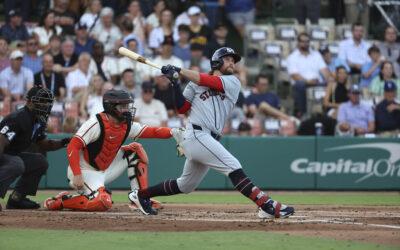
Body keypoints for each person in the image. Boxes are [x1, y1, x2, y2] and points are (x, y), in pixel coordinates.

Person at [128, 47, 295, 219]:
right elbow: (182, 108)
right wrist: (175, 83)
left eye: (233, 60)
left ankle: (141, 195)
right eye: (228, 59)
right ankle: (266, 205)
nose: (232, 63)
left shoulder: (233, 82)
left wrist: (179, 70)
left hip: (209, 138)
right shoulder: (194, 83)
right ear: (217, 61)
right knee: (233, 165)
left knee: (186, 185)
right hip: (196, 135)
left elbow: (209, 81)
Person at [44, 89, 183, 212]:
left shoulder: (126, 125)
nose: (127, 110)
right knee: (102, 202)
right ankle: (62, 201)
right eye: (122, 106)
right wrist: (77, 174)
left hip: (106, 168)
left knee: (136, 150)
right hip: (84, 170)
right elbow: (73, 146)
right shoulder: (95, 123)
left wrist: (173, 132)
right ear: (111, 107)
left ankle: (141, 198)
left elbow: (152, 131)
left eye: (127, 106)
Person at [0, 86, 70, 209]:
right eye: (42, 101)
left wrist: (65, 142)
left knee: (39, 162)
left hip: (12, 155)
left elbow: (43, 144)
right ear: (30, 102)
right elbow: (1, 140)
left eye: (47, 102)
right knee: (16, 164)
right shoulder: (19, 117)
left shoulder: (38, 120)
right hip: (4, 154)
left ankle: (17, 198)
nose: (45, 105)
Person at [287, 32, 331, 117]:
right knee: (300, 85)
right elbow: (295, 75)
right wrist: (308, 81)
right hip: (302, 83)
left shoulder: (316, 55)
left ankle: (329, 111)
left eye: (307, 41)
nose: (305, 44)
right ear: (298, 43)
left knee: (331, 84)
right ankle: (303, 112)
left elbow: (324, 71)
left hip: (317, 82)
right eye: (303, 41)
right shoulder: (292, 57)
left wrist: (330, 80)